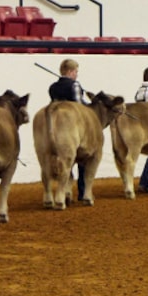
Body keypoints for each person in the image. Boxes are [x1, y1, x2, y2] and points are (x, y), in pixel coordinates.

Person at [48, 59, 89, 202]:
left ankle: (66, 190)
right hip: (73, 123)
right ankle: (83, 191)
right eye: (76, 72)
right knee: (84, 156)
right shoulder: (75, 85)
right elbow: (79, 105)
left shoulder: (53, 87)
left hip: (57, 123)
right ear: (71, 72)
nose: (77, 75)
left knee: (64, 160)